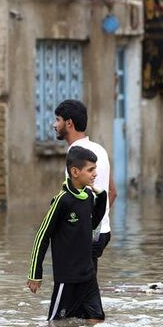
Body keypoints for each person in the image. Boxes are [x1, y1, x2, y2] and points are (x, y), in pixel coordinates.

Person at [27, 146, 107, 321]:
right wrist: (35, 273)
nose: (95, 174)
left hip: (88, 276)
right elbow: (42, 236)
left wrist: (101, 195)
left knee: (97, 320)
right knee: (56, 326)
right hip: (68, 279)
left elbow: (93, 223)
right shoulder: (61, 201)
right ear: (75, 172)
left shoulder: (87, 196)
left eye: (95, 169)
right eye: (90, 170)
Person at [53, 99, 116, 271]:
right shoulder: (100, 150)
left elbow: (77, 200)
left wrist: (81, 230)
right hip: (103, 232)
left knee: (75, 286)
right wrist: (99, 221)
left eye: (57, 120)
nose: (54, 125)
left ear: (69, 123)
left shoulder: (75, 155)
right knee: (87, 286)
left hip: (84, 235)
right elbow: (112, 192)